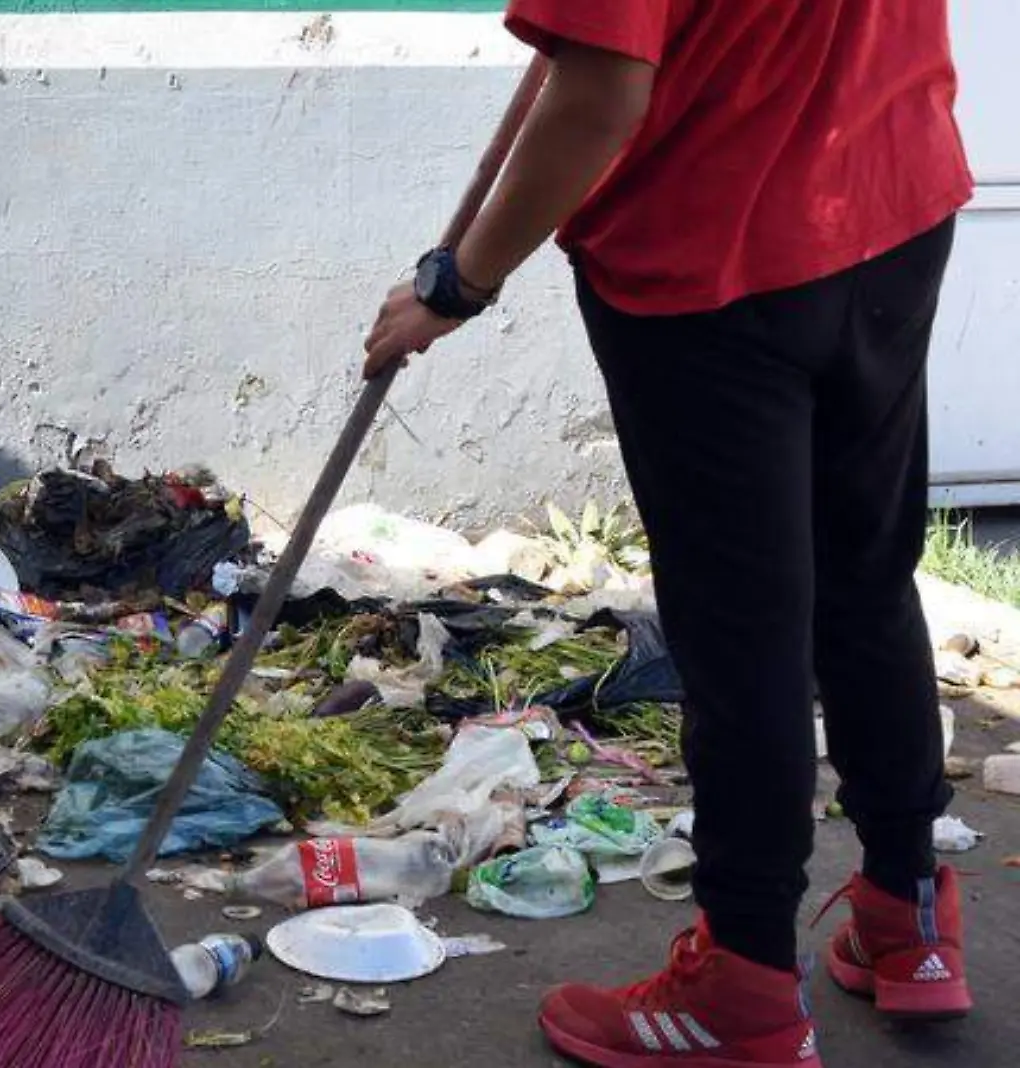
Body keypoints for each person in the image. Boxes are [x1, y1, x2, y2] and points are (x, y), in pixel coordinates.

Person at [363, 3, 974, 1066]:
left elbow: (600, 96)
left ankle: (741, 983)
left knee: (744, 635)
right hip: (890, 203)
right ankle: (909, 920)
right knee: (863, 577)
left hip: (715, 257)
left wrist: (461, 280)